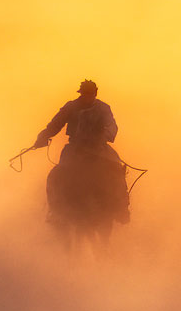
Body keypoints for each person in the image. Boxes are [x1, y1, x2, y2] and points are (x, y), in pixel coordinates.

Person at [29, 80, 129, 235]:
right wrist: (43, 137)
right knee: (57, 175)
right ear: (81, 94)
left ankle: (122, 209)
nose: (86, 97)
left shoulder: (103, 108)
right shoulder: (71, 107)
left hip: (99, 148)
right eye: (84, 94)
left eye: (89, 94)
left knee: (117, 171)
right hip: (75, 148)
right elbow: (55, 124)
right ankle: (56, 211)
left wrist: (104, 135)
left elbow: (112, 126)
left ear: (95, 94)